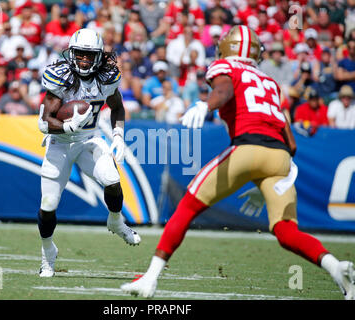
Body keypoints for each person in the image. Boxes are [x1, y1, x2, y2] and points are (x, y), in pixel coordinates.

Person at [121, 25, 355, 300]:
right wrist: (263, 182)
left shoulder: (225, 67)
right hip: (281, 158)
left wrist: (204, 105)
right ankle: (335, 267)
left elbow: (224, 89)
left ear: (227, 47)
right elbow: (291, 143)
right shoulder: (268, 81)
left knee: (188, 205)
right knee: (285, 229)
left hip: (247, 149)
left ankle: (150, 277)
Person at [37, 28, 141, 277]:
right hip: (60, 142)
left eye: (89, 55)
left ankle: (115, 221)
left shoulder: (106, 77)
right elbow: (44, 121)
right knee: (49, 204)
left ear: (98, 57)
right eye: (80, 55)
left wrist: (118, 135)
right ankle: (47, 252)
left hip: (89, 139)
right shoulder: (60, 77)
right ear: (71, 54)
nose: (84, 60)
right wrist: (66, 126)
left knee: (112, 179)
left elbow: (117, 107)